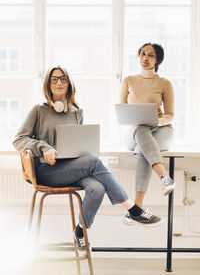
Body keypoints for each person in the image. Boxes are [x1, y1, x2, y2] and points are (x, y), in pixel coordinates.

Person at [13, 66, 163, 251]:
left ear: (69, 83)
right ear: (48, 85)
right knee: (93, 161)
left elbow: (78, 144)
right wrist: (44, 148)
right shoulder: (38, 110)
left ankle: (80, 231)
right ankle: (133, 209)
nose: (59, 82)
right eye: (54, 79)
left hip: (71, 167)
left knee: (97, 188)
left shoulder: (77, 112)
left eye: (63, 79)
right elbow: (18, 140)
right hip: (46, 171)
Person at [120, 43, 176, 225]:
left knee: (142, 149)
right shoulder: (128, 80)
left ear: (158, 60)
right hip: (135, 131)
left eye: (151, 55)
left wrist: (157, 121)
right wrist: (139, 119)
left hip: (160, 130)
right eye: (143, 54)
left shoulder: (164, 83)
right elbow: (121, 110)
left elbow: (170, 115)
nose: (145, 58)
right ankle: (165, 178)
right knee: (141, 132)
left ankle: (136, 209)